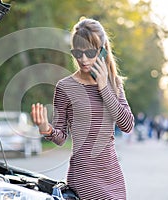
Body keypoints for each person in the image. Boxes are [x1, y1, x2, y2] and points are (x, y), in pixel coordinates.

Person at [31, 18, 135, 199]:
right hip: (84, 176)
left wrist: (104, 87)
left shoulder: (114, 83)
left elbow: (127, 125)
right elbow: (61, 138)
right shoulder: (65, 87)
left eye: (90, 53)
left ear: (102, 51)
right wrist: (46, 129)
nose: (83, 59)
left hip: (112, 174)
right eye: (77, 53)